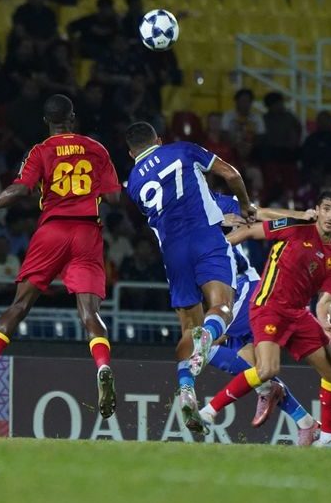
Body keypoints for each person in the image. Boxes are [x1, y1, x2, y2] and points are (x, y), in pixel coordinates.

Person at [0, 94, 122, 419]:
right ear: (73, 117)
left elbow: (20, 190)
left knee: (19, 306)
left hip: (52, 231)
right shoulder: (97, 149)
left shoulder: (41, 151)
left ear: (47, 122)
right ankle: (102, 368)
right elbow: (114, 200)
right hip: (87, 233)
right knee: (89, 313)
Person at [124, 121, 256, 431]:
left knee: (187, 327)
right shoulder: (182, 150)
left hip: (173, 251)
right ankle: (208, 336)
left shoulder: (132, 181)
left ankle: (186, 391)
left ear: (132, 154)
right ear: (159, 139)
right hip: (205, 237)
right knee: (222, 304)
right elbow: (231, 174)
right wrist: (246, 205)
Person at [196, 188, 331, 448]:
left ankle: (327, 439)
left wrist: (324, 321)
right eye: (326, 208)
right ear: (318, 210)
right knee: (267, 369)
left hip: (299, 314)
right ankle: (209, 411)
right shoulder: (297, 227)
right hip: (268, 306)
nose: (330, 215)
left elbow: (325, 300)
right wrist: (213, 252)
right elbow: (248, 231)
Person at [209, 192, 321, 444]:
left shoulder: (215, 201)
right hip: (220, 297)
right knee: (251, 366)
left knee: (201, 346)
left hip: (243, 288)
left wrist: (300, 217)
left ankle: (264, 389)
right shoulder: (167, 218)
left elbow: (259, 214)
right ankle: (307, 423)